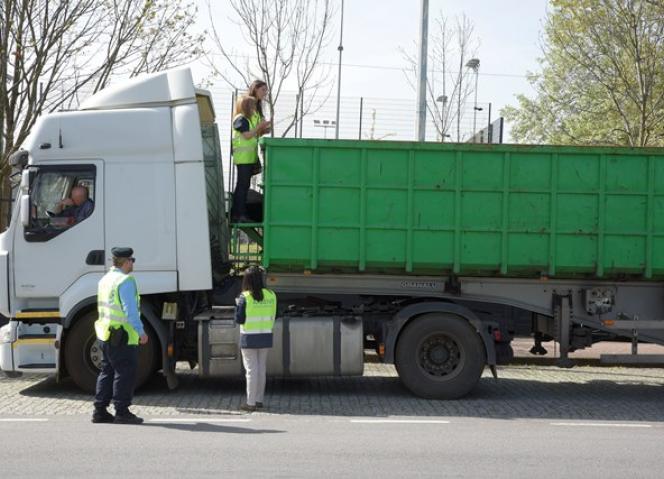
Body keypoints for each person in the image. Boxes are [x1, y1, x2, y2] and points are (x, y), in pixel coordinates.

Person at [92, 247, 148, 425]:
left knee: (107, 371)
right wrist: (141, 331)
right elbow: (130, 310)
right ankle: (122, 411)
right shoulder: (125, 281)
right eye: (132, 260)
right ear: (125, 262)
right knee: (124, 373)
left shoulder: (105, 280)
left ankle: (99, 411)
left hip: (105, 333)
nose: (133, 263)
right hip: (121, 335)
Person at [235, 265, 277, 412]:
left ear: (247, 281)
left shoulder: (244, 297)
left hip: (249, 337)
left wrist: (237, 306)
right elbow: (274, 315)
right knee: (261, 369)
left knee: (251, 370)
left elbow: (239, 319)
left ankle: (250, 403)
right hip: (265, 335)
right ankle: (259, 400)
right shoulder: (271, 295)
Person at [231, 96, 270, 222]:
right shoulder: (240, 119)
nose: (255, 109)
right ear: (247, 106)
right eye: (253, 106)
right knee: (242, 186)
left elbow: (254, 133)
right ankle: (239, 214)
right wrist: (259, 127)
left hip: (248, 158)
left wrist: (265, 127)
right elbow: (247, 135)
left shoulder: (248, 120)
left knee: (244, 186)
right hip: (243, 158)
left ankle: (240, 214)